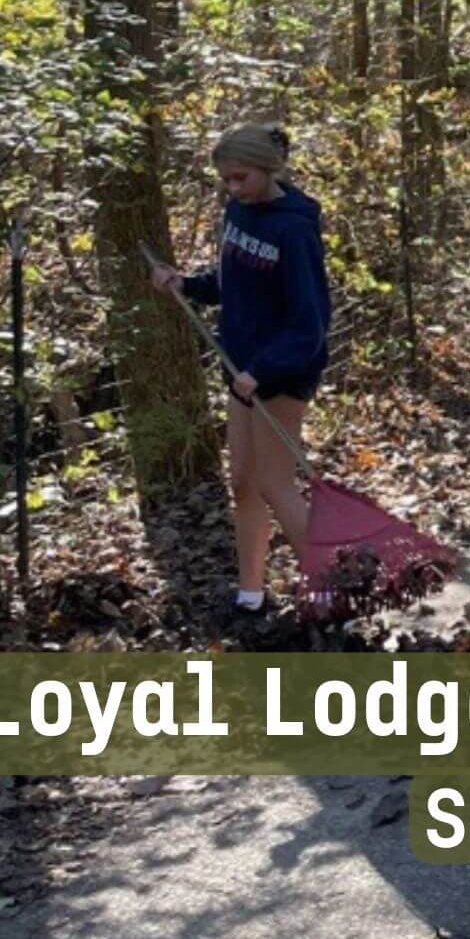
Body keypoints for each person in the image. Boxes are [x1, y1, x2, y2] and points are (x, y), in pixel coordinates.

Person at [149, 122, 332, 616]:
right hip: (241, 368)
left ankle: (330, 585)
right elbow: (232, 283)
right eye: (226, 180)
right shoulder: (238, 213)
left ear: (267, 170)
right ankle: (251, 591)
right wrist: (185, 284)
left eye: (241, 178)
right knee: (244, 483)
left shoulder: (293, 228)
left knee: (275, 483)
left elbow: (310, 322)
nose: (233, 189)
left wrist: (266, 369)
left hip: (282, 372)